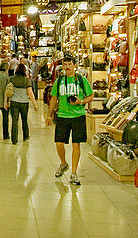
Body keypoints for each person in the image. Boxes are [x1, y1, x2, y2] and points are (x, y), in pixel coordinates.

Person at [48, 56, 93, 185]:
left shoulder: (81, 80)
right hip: (62, 115)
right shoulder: (59, 80)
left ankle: (73, 173)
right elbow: (53, 98)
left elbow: (90, 96)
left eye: (69, 64)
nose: (67, 67)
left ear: (74, 66)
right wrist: (48, 114)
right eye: (65, 64)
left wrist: (81, 101)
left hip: (78, 115)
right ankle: (63, 163)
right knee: (59, 143)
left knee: (76, 144)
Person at [8, 63, 38, 144]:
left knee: (14, 121)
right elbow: (30, 93)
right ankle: (26, 135)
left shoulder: (12, 79)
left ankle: (14, 139)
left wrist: (6, 102)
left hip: (14, 102)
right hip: (24, 103)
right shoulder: (26, 80)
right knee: (24, 120)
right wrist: (35, 104)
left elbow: (8, 91)